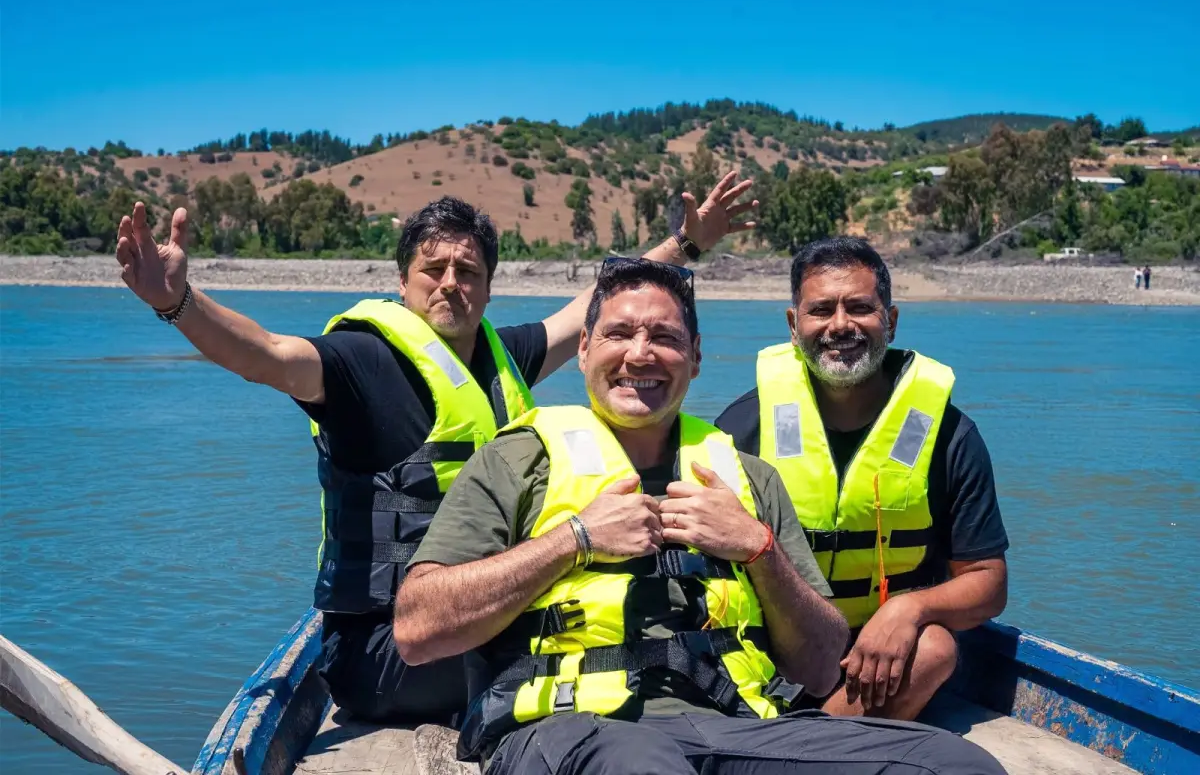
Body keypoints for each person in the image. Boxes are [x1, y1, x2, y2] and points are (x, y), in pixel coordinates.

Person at [113, 173, 757, 724]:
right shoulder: (360, 362)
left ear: (488, 287)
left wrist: (686, 244)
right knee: (588, 652)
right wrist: (178, 303)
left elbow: (599, 306)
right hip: (387, 646)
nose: (451, 283)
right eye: (434, 269)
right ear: (404, 281)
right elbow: (267, 355)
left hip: (485, 604)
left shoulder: (503, 358)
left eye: (468, 271)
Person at [393, 258, 1005, 774]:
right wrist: (575, 538)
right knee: (644, 767)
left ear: (695, 357)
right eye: (619, 333)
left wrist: (758, 549)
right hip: (571, 731)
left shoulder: (748, 477)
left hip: (734, 729)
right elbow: (417, 631)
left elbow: (821, 667)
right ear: (583, 349)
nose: (640, 354)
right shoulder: (518, 459)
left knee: (956, 765)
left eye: (664, 337)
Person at [715, 237, 1009, 722]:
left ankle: (808, 742)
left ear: (890, 322)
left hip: (877, 666)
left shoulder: (948, 435)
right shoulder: (742, 428)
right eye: (820, 310)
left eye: (859, 308)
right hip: (769, 655)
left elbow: (987, 583)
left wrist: (908, 610)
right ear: (793, 326)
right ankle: (811, 743)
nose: (840, 325)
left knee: (935, 648)